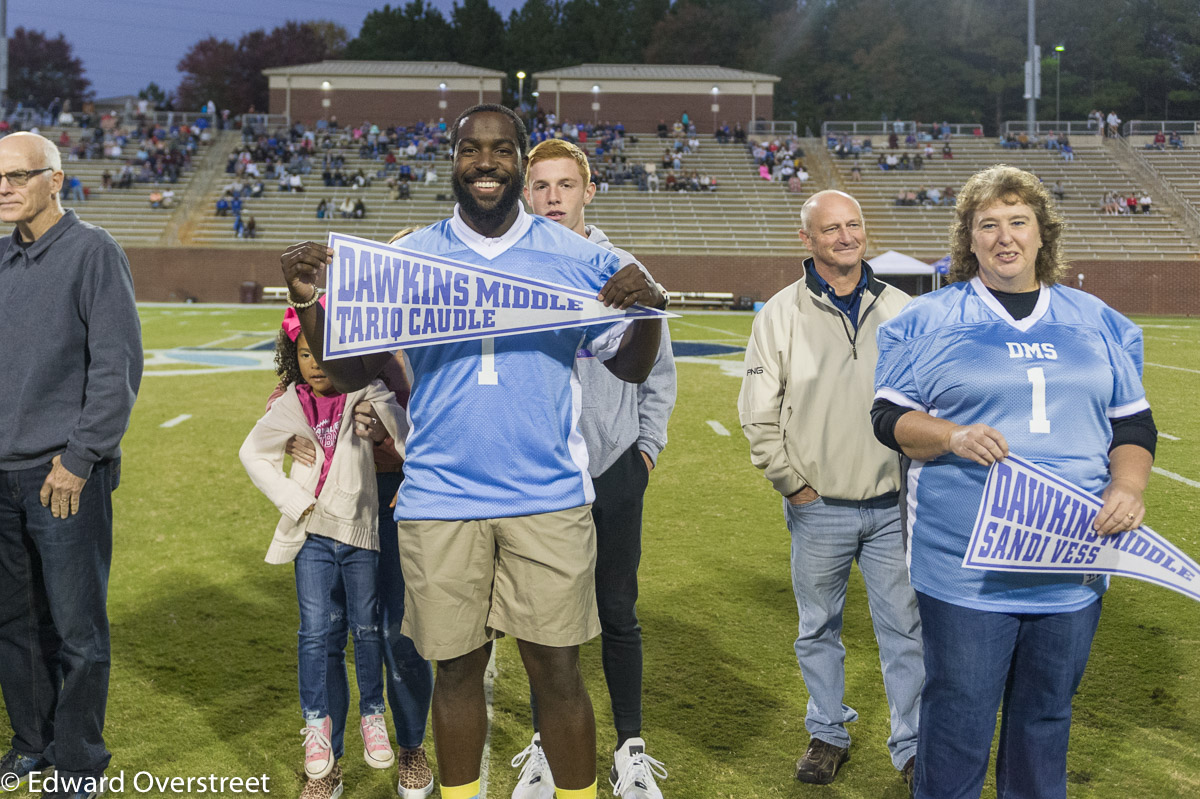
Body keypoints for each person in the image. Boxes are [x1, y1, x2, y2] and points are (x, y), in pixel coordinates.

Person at [279, 104, 667, 799]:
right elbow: (348, 373)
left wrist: (646, 315)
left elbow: (631, 368)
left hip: (547, 497)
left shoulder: (581, 259)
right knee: (456, 672)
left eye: (501, 149)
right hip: (440, 499)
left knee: (558, 671)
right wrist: (310, 304)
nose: (485, 162)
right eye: (470, 149)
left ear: (520, 158)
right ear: (451, 160)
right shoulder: (409, 258)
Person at [871, 165, 1156, 799]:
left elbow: (1133, 424)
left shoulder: (1096, 319)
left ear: (1041, 233)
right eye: (988, 224)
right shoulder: (928, 318)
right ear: (968, 239)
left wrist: (1128, 488)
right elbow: (888, 418)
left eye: (1018, 222)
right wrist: (951, 435)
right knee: (959, 718)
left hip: (1070, 555)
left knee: (1047, 716)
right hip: (967, 561)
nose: (1005, 237)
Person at [737, 190, 922, 790]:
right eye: (831, 228)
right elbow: (757, 413)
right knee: (818, 627)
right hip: (819, 507)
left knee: (905, 631)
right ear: (808, 240)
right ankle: (827, 732)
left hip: (892, 506)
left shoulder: (903, 308)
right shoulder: (780, 312)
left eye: (854, 225)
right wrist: (793, 485)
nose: (846, 237)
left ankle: (913, 744)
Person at [512, 140, 676, 799]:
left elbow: (659, 375)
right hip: (541, 468)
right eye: (540, 185)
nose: (552, 196)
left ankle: (630, 746)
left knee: (617, 608)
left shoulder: (622, 268)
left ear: (588, 190)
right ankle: (546, 744)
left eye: (564, 184)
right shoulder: (513, 270)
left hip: (611, 465)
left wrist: (644, 451)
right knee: (543, 616)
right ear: (526, 195)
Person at [0, 132, 143, 798]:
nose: (4, 187)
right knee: (14, 622)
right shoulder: (0, 258)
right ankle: (31, 744)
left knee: (78, 626)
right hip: (0, 477)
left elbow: (116, 370)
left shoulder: (94, 252)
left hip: (62, 475)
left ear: (56, 180)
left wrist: (79, 458)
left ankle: (79, 759)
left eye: (17, 176)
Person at [280, 231, 436, 799]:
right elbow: (293, 395)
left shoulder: (436, 334)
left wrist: (401, 452)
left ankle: (411, 746)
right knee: (327, 630)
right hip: (335, 499)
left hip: (403, 496)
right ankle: (329, 758)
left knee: (397, 629)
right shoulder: (333, 325)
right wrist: (292, 442)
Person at [239, 308, 405, 797]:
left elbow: (406, 431)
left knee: (367, 627)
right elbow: (253, 451)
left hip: (359, 531)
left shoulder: (366, 392)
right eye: (305, 354)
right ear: (293, 357)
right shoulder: (291, 401)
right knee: (314, 633)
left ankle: (372, 713)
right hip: (311, 533)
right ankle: (317, 725)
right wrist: (292, 500)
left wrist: (397, 447)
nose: (314, 364)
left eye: (325, 353)